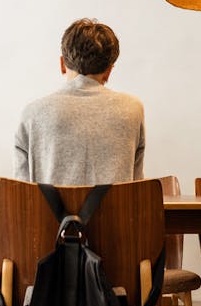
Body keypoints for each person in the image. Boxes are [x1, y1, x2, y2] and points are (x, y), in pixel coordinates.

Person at [13, 18, 145, 185]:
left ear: (62, 64)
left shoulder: (32, 112)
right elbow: (136, 185)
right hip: (117, 211)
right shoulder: (132, 109)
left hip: (47, 212)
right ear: (109, 71)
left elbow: (22, 190)